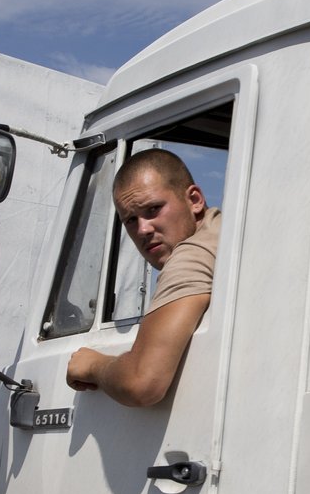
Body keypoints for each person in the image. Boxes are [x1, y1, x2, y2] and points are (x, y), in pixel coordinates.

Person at [67, 148, 220, 407]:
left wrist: (92, 364)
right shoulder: (223, 231)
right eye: (130, 220)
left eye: (153, 209)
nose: (143, 229)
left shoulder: (192, 254)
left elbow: (142, 382)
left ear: (195, 199)